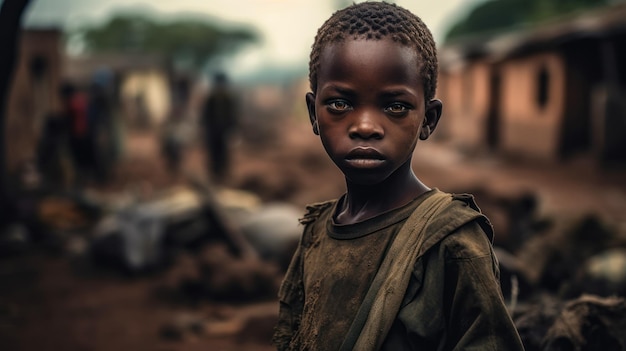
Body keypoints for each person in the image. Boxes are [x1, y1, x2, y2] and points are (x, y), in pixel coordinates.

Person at [272, 2, 525, 351]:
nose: (364, 126)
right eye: (340, 104)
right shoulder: (315, 234)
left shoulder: (451, 245)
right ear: (313, 113)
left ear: (429, 119)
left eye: (395, 106)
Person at [200, 72, 238, 183]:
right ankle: (214, 174)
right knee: (213, 153)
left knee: (224, 153)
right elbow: (205, 116)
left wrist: (233, 130)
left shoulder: (228, 99)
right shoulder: (210, 99)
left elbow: (233, 116)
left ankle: (223, 174)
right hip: (212, 132)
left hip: (224, 131)